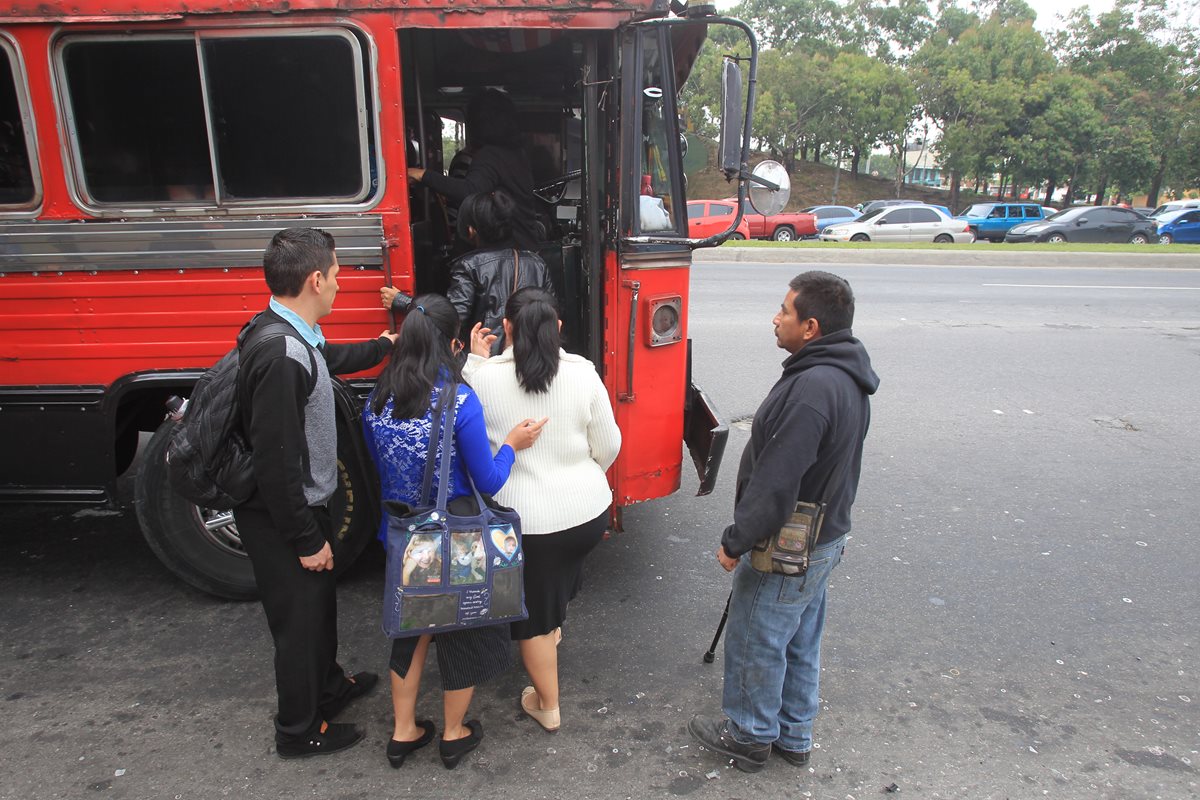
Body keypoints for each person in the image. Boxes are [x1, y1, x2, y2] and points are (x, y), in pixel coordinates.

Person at [688, 271, 879, 772]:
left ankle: (749, 733)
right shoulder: (843, 375)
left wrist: (737, 540)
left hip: (789, 544)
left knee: (757, 635)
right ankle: (793, 734)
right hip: (825, 536)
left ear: (811, 327)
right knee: (798, 636)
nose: (776, 318)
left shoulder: (813, 388)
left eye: (785, 310)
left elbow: (777, 481)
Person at [361, 294, 547, 770]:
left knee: (411, 633)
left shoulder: (376, 399)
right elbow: (489, 480)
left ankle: (403, 733)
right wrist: (512, 444)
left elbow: (381, 468)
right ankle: (453, 733)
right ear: (452, 344)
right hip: (456, 536)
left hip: (404, 536)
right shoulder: (459, 401)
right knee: (461, 631)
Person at [233, 227, 397, 760]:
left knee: (318, 608)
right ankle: (298, 730)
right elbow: (274, 461)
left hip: (307, 503)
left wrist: (384, 347)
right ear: (316, 280)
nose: (341, 284)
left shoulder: (293, 331)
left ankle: (329, 687)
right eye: (337, 274)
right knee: (299, 624)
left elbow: (332, 359)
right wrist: (304, 538)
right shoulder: (283, 354)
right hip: (283, 515)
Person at [463, 287, 621, 733]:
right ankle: (552, 629)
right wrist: (582, 477)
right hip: (586, 513)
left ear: (506, 327)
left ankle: (547, 705)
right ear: (558, 328)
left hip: (524, 524)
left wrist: (474, 361)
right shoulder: (583, 373)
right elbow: (609, 444)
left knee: (532, 616)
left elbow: (469, 440)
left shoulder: (482, 379)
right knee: (554, 580)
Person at [381, 189, 554, 354]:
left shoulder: (468, 266)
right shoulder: (537, 263)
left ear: (471, 230)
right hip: (531, 356)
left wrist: (404, 302)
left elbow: (452, 320)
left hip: (485, 358)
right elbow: (551, 313)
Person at [407, 88, 541, 250]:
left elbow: (470, 191)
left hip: (506, 253)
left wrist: (423, 175)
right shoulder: (516, 153)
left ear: (479, 123)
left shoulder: (490, 155)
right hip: (525, 248)